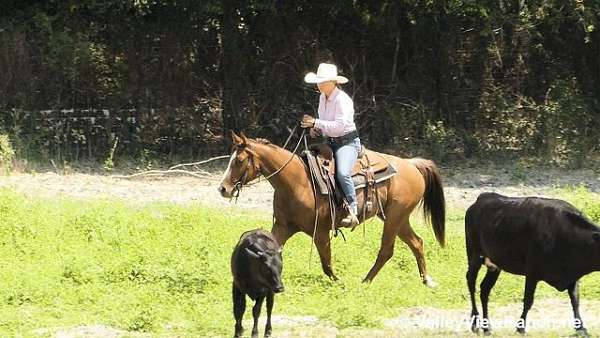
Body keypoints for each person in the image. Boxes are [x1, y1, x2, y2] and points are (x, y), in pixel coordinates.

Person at [301, 62, 361, 228]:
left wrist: (316, 122)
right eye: (318, 81)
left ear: (333, 82)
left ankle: (353, 208)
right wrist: (315, 128)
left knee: (342, 173)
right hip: (331, 142)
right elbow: (326, 124)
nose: (319, 85)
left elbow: (340, 126)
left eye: (322, 81)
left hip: (347, 143)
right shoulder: (322, 98)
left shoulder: (343, 100)